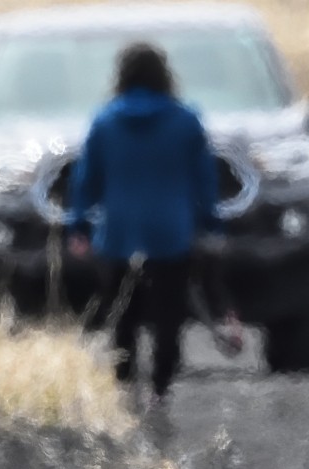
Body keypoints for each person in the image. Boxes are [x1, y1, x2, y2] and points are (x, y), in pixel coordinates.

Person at [66, 41, 235, 404]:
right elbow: (204, 180)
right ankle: (161, 384)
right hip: (171, 232)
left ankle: (126, 382)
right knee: (168, 312)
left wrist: (78, 225)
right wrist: (211, 224)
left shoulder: (105, 121)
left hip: (118, 233)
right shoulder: (186, 121)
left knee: (122, 311)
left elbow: (87, 179)